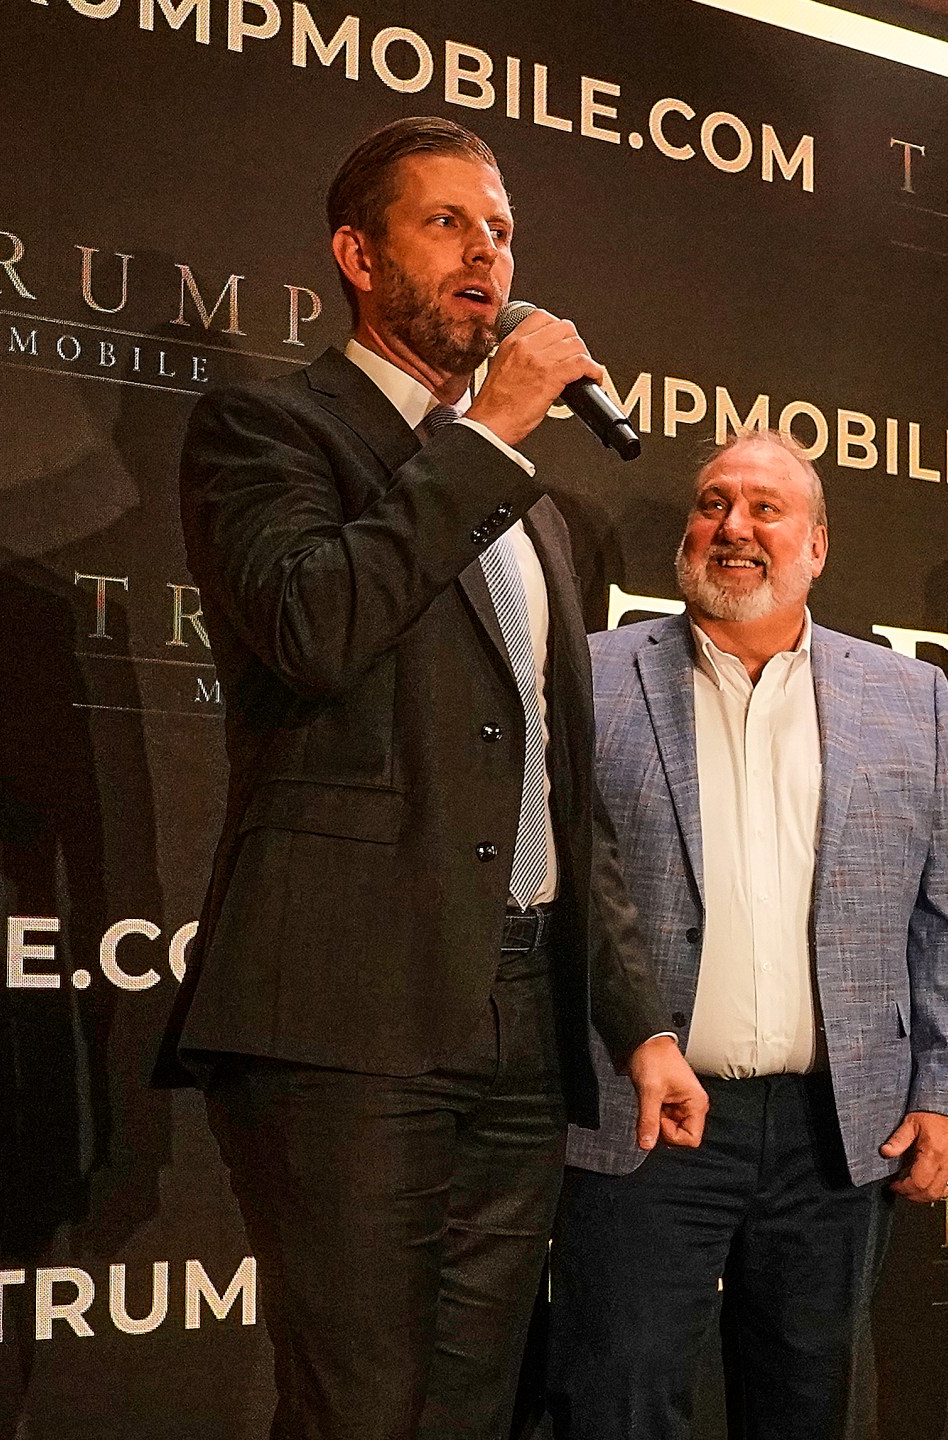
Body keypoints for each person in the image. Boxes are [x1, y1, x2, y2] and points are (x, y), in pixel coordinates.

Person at [152, 115, 707, 1440]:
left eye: (502, 229)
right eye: (447, 222)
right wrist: (495, 425)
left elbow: (563, 798)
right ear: (358, 253)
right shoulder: (272, 429)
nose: (489, 252)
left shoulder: (532, 508)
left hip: (517, 1015)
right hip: (346, 1010)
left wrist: (638, 1019)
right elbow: (314, 626)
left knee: (469, 1406)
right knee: (361, 1408)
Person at [545, 428, 948, 1440]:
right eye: (712, 503)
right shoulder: (591, 674)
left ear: (817, 547)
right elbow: (560, 888)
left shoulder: (903, 694)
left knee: (802, 1401)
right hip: (642, 1119)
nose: (732, 527)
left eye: (764, 508)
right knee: (616, 1399)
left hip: (836, 1132)